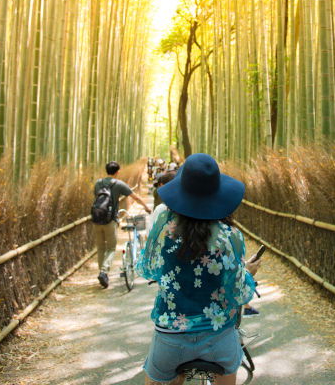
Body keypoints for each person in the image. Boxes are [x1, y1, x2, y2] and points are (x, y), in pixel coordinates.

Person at [138, 153, 262, 385]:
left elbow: (148, 270)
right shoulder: (230, 237)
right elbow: (239, 293)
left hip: (170, 336)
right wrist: (248, 274)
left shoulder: (164, 228)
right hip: (218, 338)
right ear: (219, 195)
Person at [92, 161, 152, 288]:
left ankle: (102, 273)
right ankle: (104, 271)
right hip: (110, 220)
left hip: (97, 219)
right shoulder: (118, 184)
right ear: (118, 171)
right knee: (111, 248)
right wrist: (146, 207)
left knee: (101, 248)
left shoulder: (98, 183)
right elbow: (135, 197)